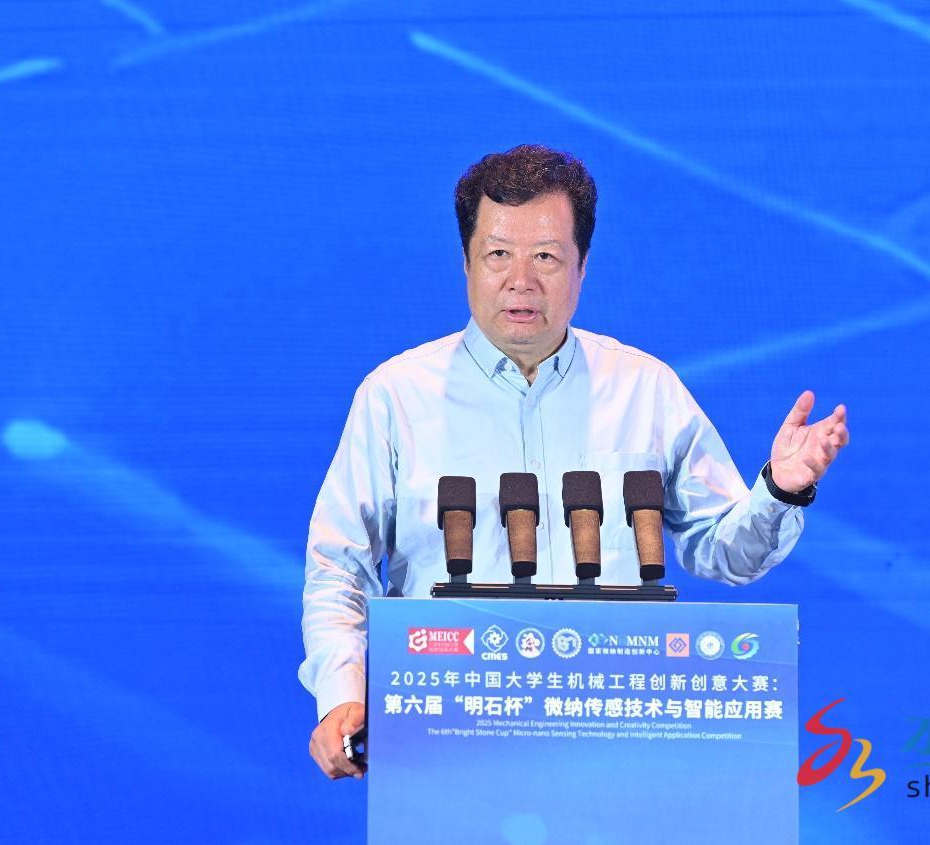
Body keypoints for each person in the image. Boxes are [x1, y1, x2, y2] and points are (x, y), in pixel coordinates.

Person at [301, 144, 849, 780]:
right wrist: (342, 694)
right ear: (466, 263)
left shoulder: (645, 390)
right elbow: (339, 567)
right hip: (449, 738)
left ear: (582, 267)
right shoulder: (395, 397)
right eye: (498, 255)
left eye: (546, 257)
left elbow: (725, 553)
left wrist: (780, 492)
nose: (521, 281)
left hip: (617, 743)